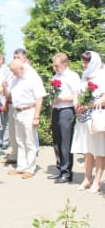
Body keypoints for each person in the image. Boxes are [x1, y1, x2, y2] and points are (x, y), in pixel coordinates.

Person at [71, 51, 105, 194]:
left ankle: (97, 181)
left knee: (98, 151)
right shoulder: (84, 77)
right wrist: (76, 104)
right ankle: (87, 178)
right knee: (86, 150)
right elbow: (77, 93)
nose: (83, 64)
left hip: (95, 118)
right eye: (83, 62)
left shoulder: (102, 77)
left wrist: (89, 105)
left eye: (86, 62)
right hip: (82, 119)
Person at [7, 59, 46, 179]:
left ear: (21, 68)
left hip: (29, 110)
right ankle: (21, 166)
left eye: (14, 71)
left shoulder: (33, 78)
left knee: (30, 141)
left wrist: (36, 116)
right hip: (17, 111)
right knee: (20, 140)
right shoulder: (14, 79)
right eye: (12, 71)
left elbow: (39, 98)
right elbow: (9, 96)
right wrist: (5, 87)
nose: (13, 74)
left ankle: (30, 168)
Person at [47, 52, 80, 183]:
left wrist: (62, 98)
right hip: (56, 110)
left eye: (57, 65)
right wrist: (51, 113)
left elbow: (78, 95)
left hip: (67, 110)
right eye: (54, 66)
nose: (55, 68)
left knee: (65, 143)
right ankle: (61, 168)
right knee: (57, 142)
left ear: (65, 64)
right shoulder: (55, 76)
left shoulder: (72, 76)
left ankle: (67, 172)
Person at [0, 53, 10, 150]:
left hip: (4, 98)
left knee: (6, 121)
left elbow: (6, 85)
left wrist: (5, 101)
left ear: (1, 60)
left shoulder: (6, 70)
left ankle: (5, 141)